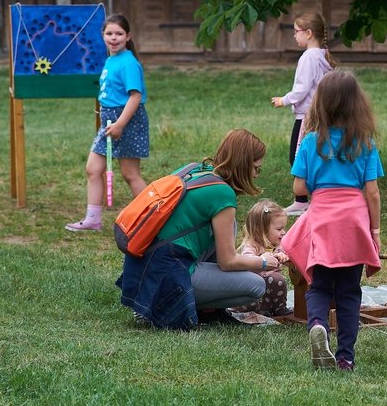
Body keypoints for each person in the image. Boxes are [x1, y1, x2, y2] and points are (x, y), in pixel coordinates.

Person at [117, 129, 275, 329]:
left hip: (142, 266)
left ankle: (157, 301)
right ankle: (161, 306)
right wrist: (261, 262)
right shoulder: (223, 194)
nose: (256, 174)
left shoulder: (194, 170)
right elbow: (228, 262)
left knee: (230, 225)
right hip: (167, 269)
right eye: (256, 168)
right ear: (243, 165)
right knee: (256, 285)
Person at [280, 71, 383, 371]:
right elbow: (373, 193)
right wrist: (374, 231)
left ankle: (317, 325)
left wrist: (319, 184)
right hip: (353, 221)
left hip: (322, 218)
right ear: (357, 104)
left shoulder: (311, 142)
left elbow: (299, 188)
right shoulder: (365, 143)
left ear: (320, 105)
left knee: (320, 285)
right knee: (350, 291)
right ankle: (345, 357)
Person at [67, 14, 148, 231]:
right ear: (103, 35)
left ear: (128, 36)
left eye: (119, 34)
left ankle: (154, 218)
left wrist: (120, 124)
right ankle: (93, 219)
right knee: (93, 169)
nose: (114, 38)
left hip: (127, 121)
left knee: (131, 174)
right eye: (109, 33)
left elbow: (135, 96)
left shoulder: (129, 63)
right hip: (110, 121)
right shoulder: (111, 60)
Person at [271, 12, 336, 217]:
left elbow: (302, 88)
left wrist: (284, 100)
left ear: (308, 33)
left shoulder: (309, 57)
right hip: (320, 117)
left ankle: (302, 201)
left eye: (296, 31)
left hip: (307, 118)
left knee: (298, 158)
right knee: (314, 156)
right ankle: (312, 199)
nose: (294, 36)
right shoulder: (322, 55)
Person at [233, 200, 292, 317]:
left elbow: (286, 252)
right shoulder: (251, 245)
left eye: (283, 228)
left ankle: (279, 308)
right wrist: (261, 259)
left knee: (277, 279)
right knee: (263, 282)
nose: (283, 232)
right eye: (279, 229)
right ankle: (256, 308)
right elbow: (247, 259)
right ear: (262, 230)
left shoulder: (278, 244)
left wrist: (283, 256)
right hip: (253, 286)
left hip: (270, 286)